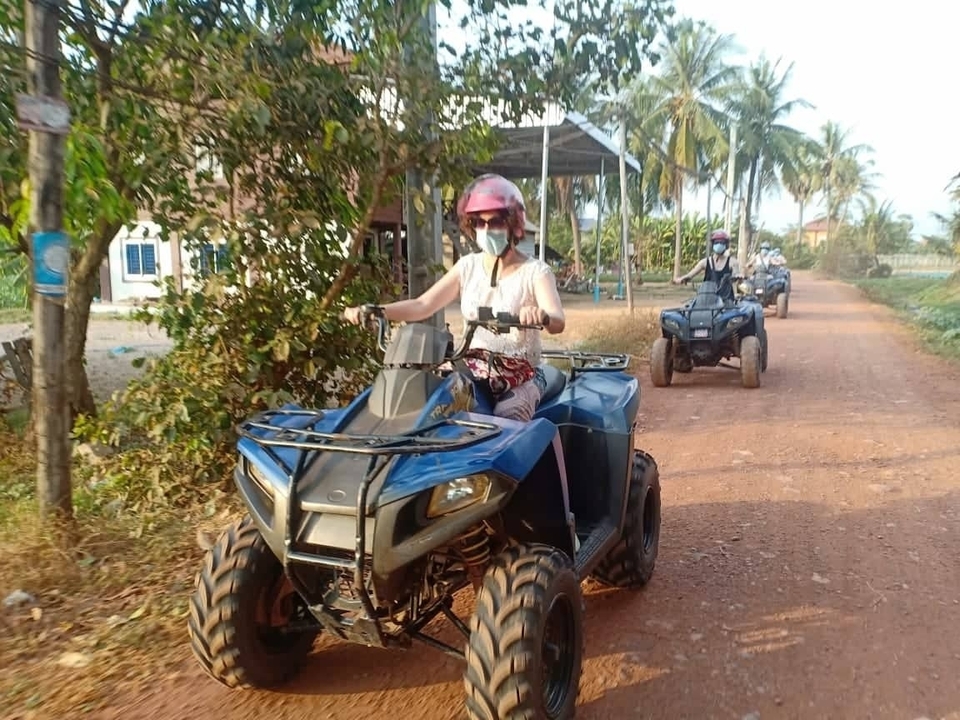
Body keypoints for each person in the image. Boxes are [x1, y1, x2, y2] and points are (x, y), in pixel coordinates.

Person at [343, 173, 566, 422]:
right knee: (429, 403)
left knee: (508, 419)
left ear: (513, 223)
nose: (486, 229)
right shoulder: (467, 267)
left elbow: (558, 320)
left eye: (495, 222)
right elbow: (422, 305)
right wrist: (378, 310)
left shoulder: (535, 272)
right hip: (472, 368)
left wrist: (542, 315)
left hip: (522, 375)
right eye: (479, 223)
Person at [672, 229, 741, 303]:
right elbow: (690, 274)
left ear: (726, 245)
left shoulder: (732, 262)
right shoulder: (705, 262)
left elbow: (736, 275)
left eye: (722, 242)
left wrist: (738, 276)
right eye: (717, 242)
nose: (719, 244)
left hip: (726, 299)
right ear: (713, 244)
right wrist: (681, 279)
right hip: (707, 298)